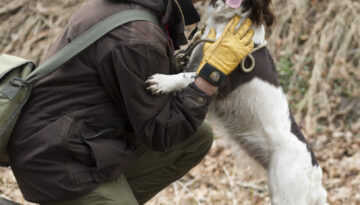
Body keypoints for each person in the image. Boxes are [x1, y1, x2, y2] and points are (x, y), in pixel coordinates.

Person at [8, 0, 254, 204]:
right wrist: (210, 78)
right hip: (56, 163)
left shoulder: (124, 8)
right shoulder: (138, 38)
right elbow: (162, 132)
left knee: (196, 138)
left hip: (69, 139)